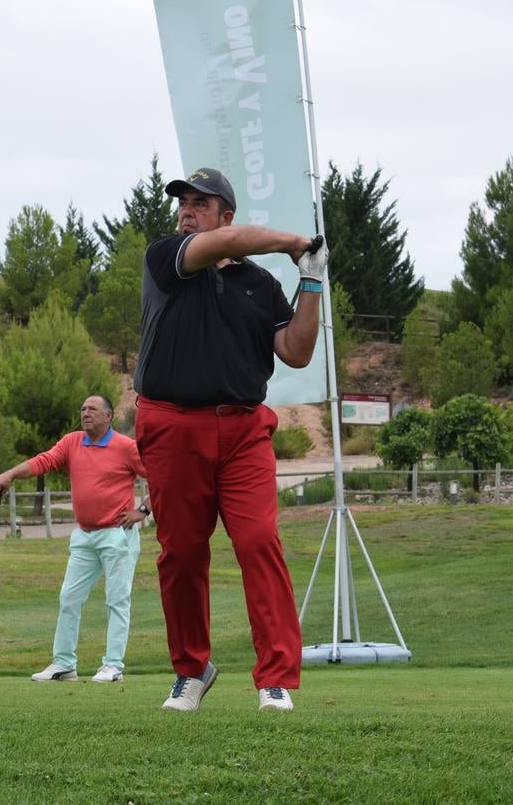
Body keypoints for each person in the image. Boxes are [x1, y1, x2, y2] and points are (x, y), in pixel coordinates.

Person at [133, 166, 327, 713]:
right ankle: (192, 670)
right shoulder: (167, 257)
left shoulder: (258, 284)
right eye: (183, 202)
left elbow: (296, 350)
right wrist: (294, 241)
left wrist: (309, 279)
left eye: (201, 202)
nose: (186, 210)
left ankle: (276, 679)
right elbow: (229, 244)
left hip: (242, 430)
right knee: (182, 555)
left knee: (259, 543)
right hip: (172, 426)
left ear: (226, 212)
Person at [0, 395, 149, 683]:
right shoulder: (72, 442)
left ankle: (113, 665)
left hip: (118, 535)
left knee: (117, 600)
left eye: (92, 410)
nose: (85, 413)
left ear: (109, 416)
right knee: (69, 597)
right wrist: (11, 474)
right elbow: (45, 461)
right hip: (85, 535)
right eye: (82, 409)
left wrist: (143, 510)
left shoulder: (126, 447)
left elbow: (162, 477)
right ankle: (64, 663)